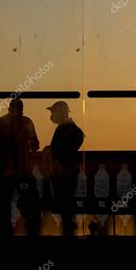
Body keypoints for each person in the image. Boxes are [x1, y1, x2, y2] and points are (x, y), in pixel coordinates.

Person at [0, 98, 41, 236]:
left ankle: (5, 231)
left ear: (9, 108)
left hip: (6, 171)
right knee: (29, 202)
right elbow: (35, 144)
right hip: (23, 170)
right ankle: (31, 230)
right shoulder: (26, 122)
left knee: (4, 203)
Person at [44, 101, 84, 236]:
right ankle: (69, 228)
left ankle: (69, 229)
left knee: (64, 200)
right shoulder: (65, 126)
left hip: (64, 171)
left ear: (59, 112)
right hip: (66, 170)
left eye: (53, 112)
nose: (51, 115)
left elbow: (80, 136)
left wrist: (62, 155)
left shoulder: (66, 126)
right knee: (66, 200)